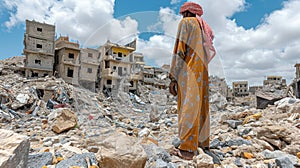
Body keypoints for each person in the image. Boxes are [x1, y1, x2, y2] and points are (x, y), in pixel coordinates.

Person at [169, 2, 216, 160]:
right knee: (201, 105)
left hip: (188, 71)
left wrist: (173, 77)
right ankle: (202, 142)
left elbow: (179, 49)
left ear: (186, 13)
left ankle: (188, 149)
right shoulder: (203, 27)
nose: (182, 16)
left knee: (188, 106)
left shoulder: (186, 23)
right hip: (202, 72)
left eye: (183, 13)